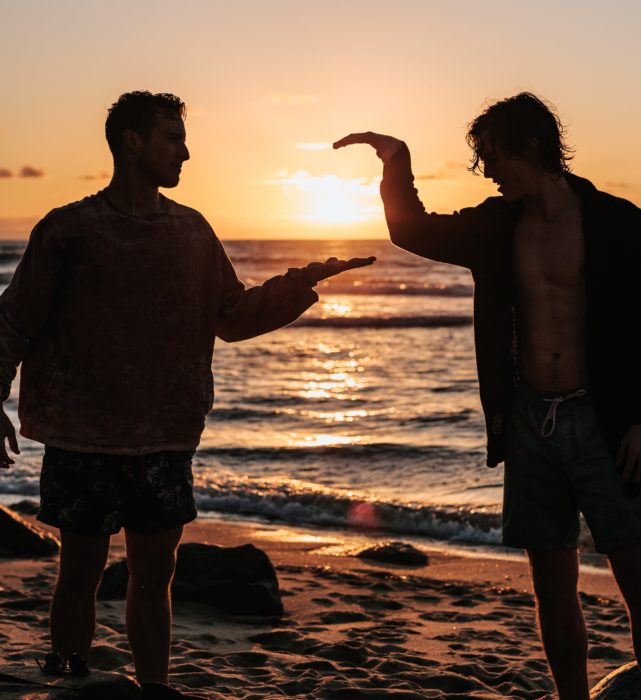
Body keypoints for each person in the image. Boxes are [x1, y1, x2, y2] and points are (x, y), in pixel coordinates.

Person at [0, 90, 373, 700]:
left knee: (156, 578)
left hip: (166, 435)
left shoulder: (192, 231)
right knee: (80, 575)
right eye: (172, 137)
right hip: (83, 436)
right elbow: (13, 320)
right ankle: (67, 676)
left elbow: (231, 315)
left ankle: (154, 689)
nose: (186, 151)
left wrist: (300, 282)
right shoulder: (69, 230)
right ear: (132, 143)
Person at [334, 92, 641, 699]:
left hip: (611, 425)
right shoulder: (498, 225)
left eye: (492, 156)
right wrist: (396, 160)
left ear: (531, 147)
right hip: (530, 425)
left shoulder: (617, 221)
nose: (486, 171)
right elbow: (411, 229)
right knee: (552, 585)